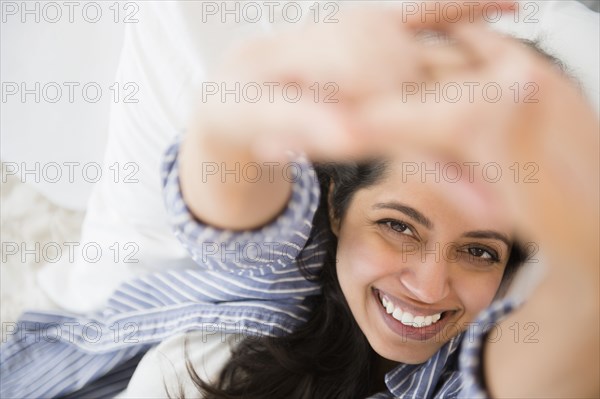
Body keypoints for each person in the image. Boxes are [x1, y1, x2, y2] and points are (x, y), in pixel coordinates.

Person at [1, 2, 597, 398]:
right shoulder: (289, 277)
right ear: (337, 205)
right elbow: (229, 190)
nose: (431, 284)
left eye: (479, 252)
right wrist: (248, 96)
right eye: (400, 227)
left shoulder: (471, 364)